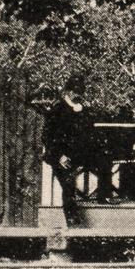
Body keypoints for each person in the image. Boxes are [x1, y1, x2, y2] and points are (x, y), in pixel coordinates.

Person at [43, 76, 98, 226]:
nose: (78, 95)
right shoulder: (57, 110)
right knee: (68, 184)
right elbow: (48, 136)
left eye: (80, 92)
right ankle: (72, 220)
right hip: (60, 156)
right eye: (75, 92)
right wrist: (59, 156)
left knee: (104, 163)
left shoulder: (83, 110)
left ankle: (103, 196)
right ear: (67, 92)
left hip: (79, 155)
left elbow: (89, 132)